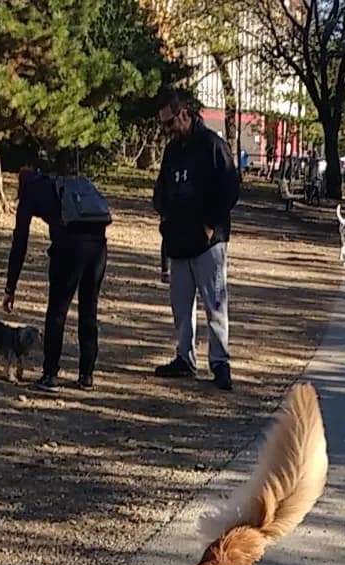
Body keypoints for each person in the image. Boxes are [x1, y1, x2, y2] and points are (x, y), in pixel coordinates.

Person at [152, 88, 240, 391]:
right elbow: (162, 187)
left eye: (170, 123)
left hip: (208, 242)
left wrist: (210, 224)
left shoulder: (213, 146)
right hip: (178, 240)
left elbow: (231, 188)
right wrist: (163, 214)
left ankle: (220, 362)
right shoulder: (172, 151)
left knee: (214, 303)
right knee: (181, 305)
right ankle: (184, 357)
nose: (168, 130)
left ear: (184, 114)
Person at [3, 162, 110, 393]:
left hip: (70, 249)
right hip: (99, 247)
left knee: (57, 311)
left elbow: (20, 240)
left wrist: (10, 287)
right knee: (89, 310)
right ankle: (86, 375)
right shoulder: (61, 184)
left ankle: (50, 375)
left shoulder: (31, 190)